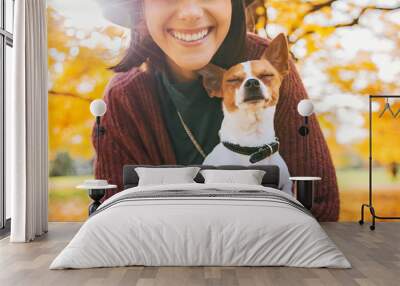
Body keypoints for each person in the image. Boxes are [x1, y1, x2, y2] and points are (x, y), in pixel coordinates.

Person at [93, 0, 339, 221]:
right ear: (140, 8)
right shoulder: (123, 97)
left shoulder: (266, 68)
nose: (190, 12)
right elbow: (113, 217)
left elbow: (319, 205)